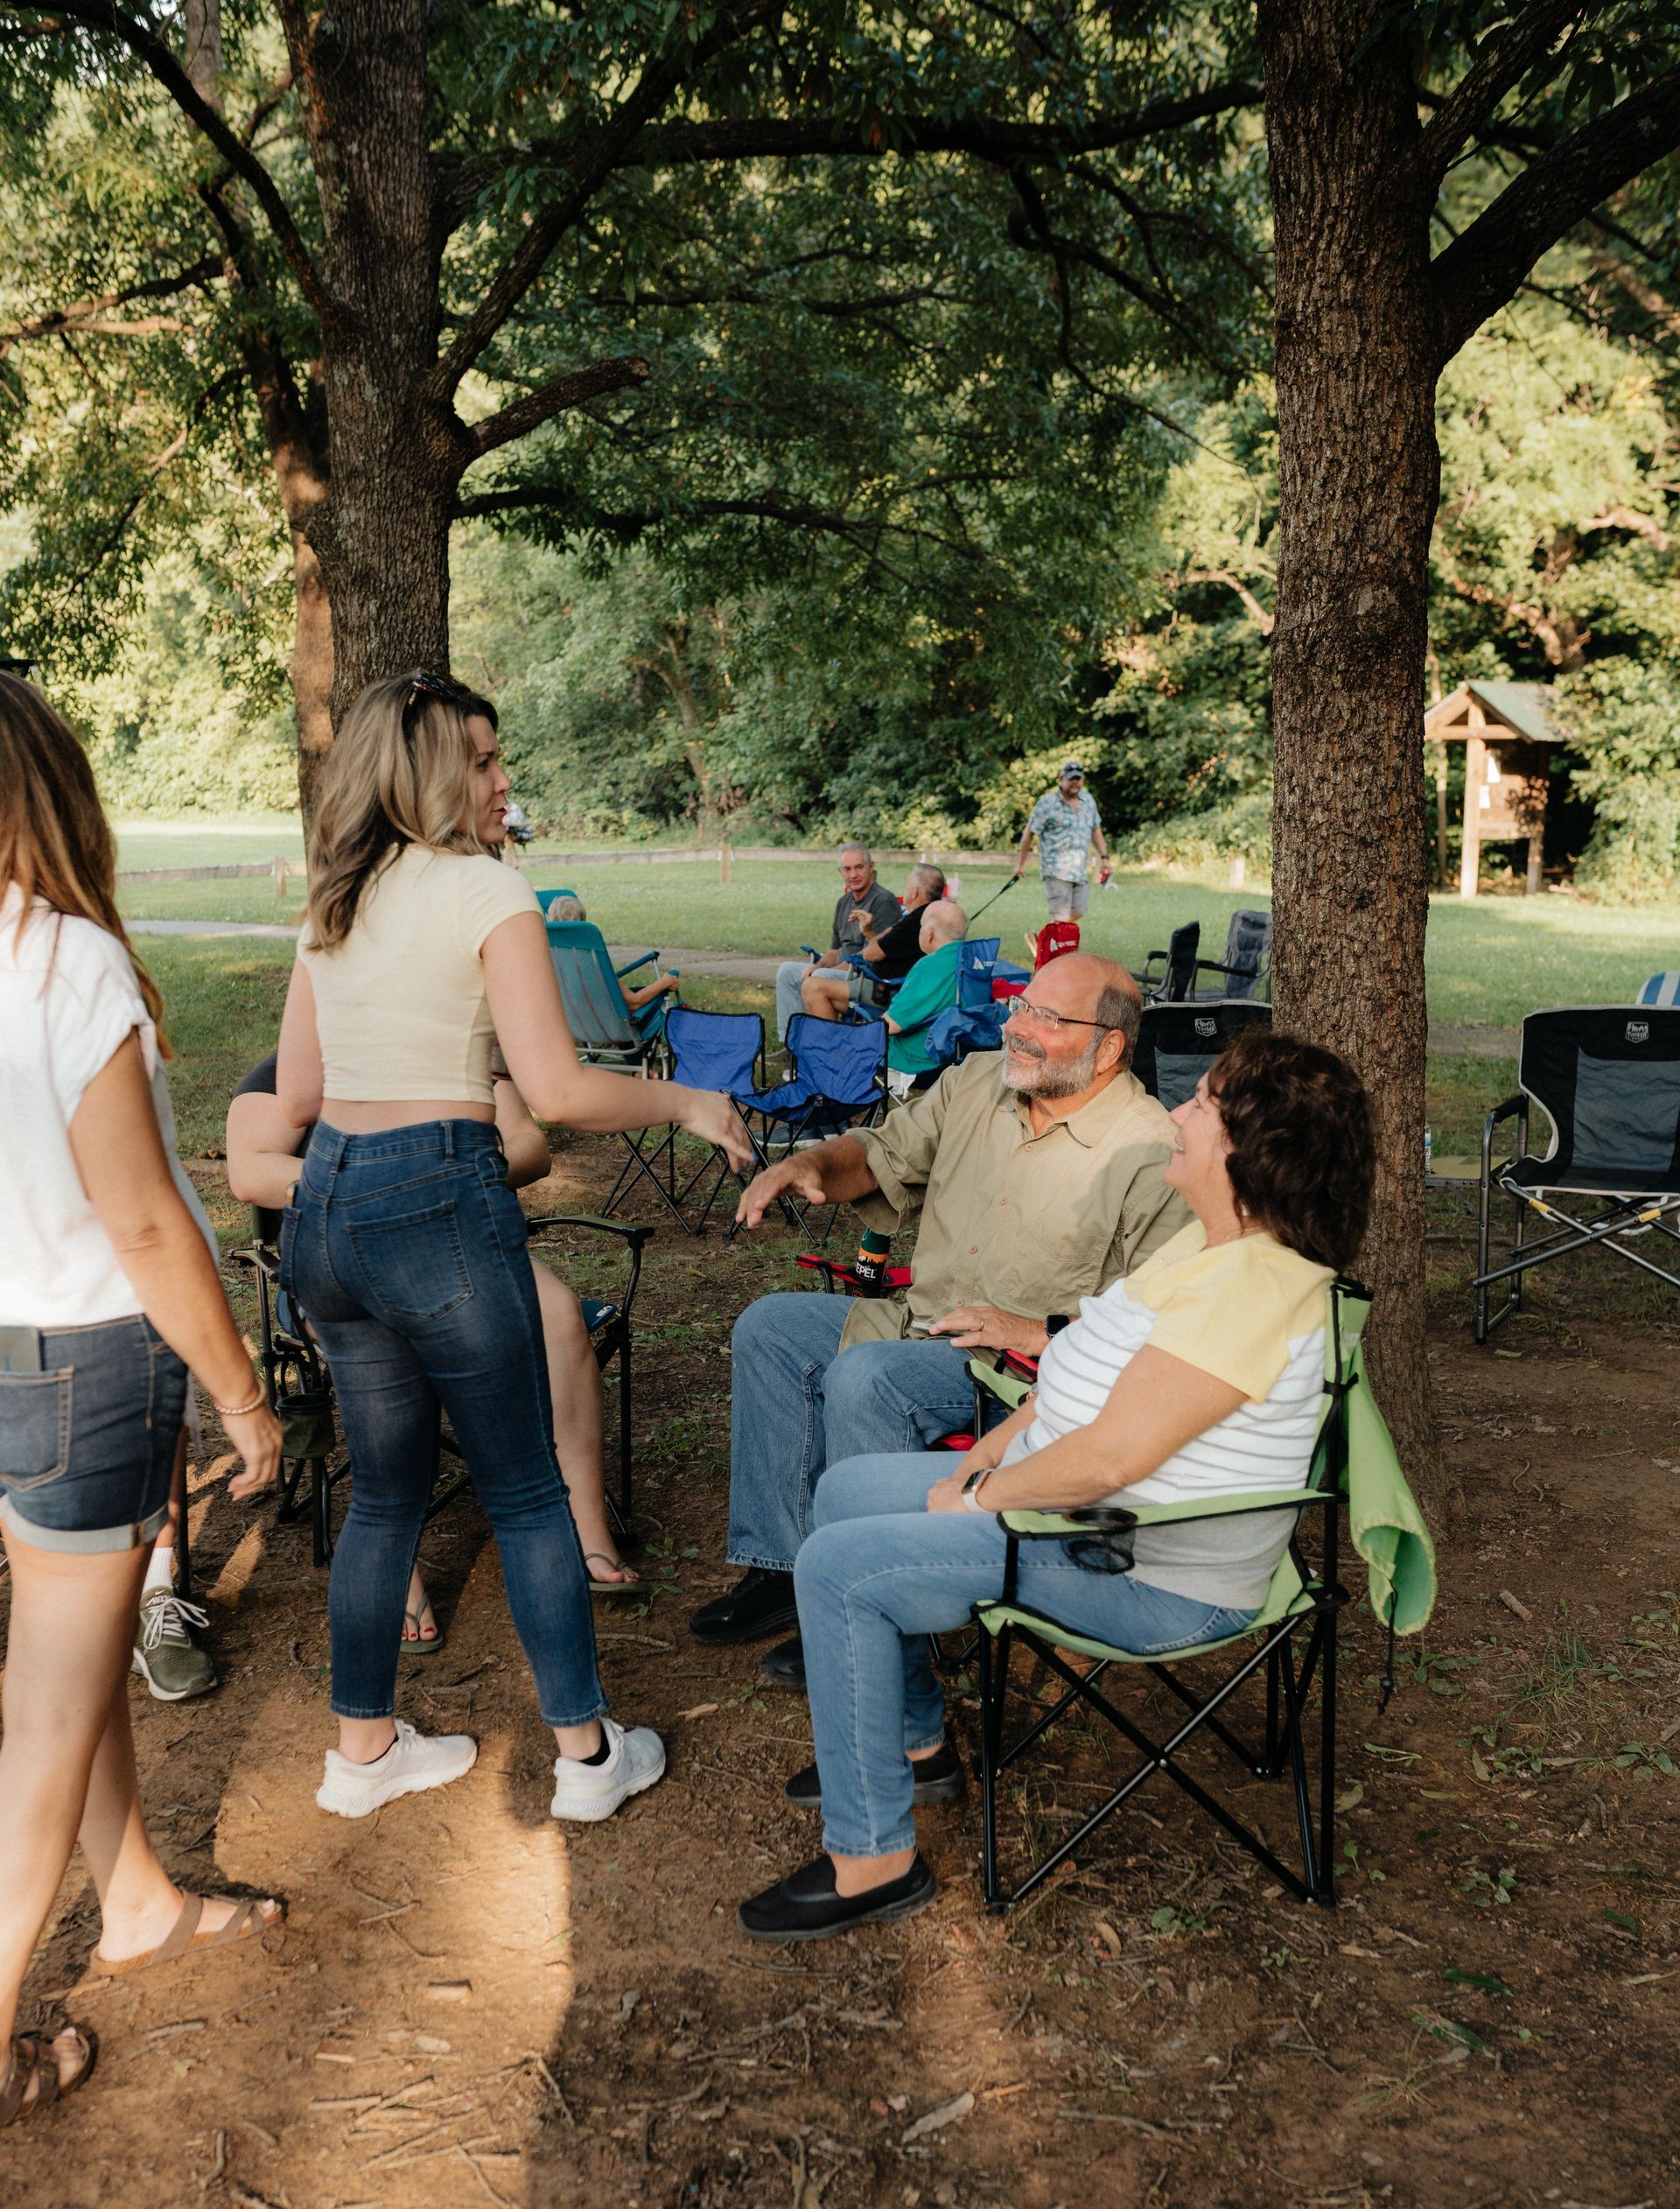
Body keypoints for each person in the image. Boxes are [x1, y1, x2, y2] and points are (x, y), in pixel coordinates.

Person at [736, 1028, 1376, 1939]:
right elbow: (1070, 1375)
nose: (1181, 1113)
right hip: (1096, 1518)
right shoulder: (1206, 1243)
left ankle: (871, 1858)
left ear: (1251, 1147)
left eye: (1204, 1104)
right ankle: (915, 1749)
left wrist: (982, 1498)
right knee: (847, 1492)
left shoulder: (1256, 1283)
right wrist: (976, 1459)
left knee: (840, 1566)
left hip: (1147, 1568)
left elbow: (1114, 1456)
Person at [275, 670, 750, 1825]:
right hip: (435, 1201)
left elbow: (296, 1090)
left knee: (384, 1495)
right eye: (482, 761)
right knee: (530, 1492)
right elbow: (557, 1090)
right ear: (432, 770)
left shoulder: (335, 897)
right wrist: (689, 1104)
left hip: (327, 1211)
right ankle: (590, 1762)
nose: (501, 782)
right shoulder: (486, 889)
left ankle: (362, 1755)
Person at [0, 673, 284, 2123]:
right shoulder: (59, 963)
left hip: (11, 1352)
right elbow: (152, 1225)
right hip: (87, 1358)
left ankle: (136, 1902)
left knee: (67, 1666)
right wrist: (243, 1393)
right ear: (56, 794)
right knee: (48, 1710)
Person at [690, 953, 1191, 1685]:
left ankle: (880, 1606)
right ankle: (786, 1569)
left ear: (1108, 1046)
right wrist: (811, 1166)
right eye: (1022, 1006)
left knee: (868, 1377)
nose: (1017, 1028)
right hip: (918, 1321)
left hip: (1017, 1372)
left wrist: (1038, 1333)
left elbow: (1162, 1325)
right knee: (769, 1328)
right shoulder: (978, 1081)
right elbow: (881, 1153)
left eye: (1046, 1019)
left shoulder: (1150, 1152)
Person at [228, 1048, 641, 1611]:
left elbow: (530, 1145)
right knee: (386, 1340)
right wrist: (391, 1186)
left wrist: (460, 1174)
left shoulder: (451, 1040)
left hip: (464, 1251)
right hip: (342, 1259)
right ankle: (397, 1565)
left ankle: (588, 1530)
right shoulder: (291, 1069)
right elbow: (250, 1171)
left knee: (558, 1314)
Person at [774, 843, 902, 1042]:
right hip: (842, 970)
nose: (853, 874)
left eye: (859, 867)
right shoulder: (844, 902)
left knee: (819, 977)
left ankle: (826, 1047)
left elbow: (876, 954)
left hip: (867, 976)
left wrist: (819, 972)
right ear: (840, 872)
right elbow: (833, 952)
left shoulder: (883, 901)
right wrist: (815, 966)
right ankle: (791, 1042)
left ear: (871, 867)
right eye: (847, 869)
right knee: (787, 971)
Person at [798, 864, 946, 1022]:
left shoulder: (915, 922)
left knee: (813, 987)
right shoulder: (932, 916)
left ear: (915, 891)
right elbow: (882, 945)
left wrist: (885, 933)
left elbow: (871, 954)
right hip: (901, 990)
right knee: (817, 983)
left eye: (907, 884)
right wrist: (869, 931)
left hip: (888, 993)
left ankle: (830, 1046)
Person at [880, 899, 968, 1090]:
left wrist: (856, 1033)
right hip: (961, 1055)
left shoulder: (928, 967)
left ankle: (830, 1114)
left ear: (929, 934)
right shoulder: (972, 959)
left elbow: (891, 1026)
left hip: (920, 1060)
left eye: (920, 927)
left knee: (847, 1045)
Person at [543, 894, 677, 1014]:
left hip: (578, 1028)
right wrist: (666, 982)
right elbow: (634, 1002)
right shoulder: (592, 962)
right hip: (613, 1028)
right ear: (583, 924)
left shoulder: (552, 963)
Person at [1013, 761, 1110, 922]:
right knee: (1060, 917)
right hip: (1055, 870)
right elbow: (1029, 833)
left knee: (1079, 911)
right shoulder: (1047, 803)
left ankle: (1042, 938)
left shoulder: (1088, 800)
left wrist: (1105, 858)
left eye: (1078, 779)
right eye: (1071, 779)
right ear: (1061, 780)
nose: (1075, 782)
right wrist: (1021, 865)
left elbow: (1096, 830)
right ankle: (1050, 942)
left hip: (1079, 870)